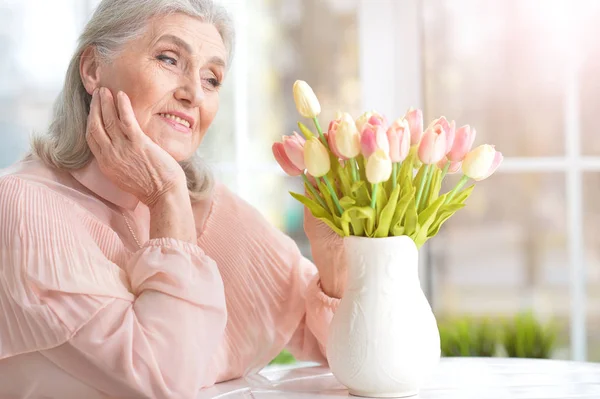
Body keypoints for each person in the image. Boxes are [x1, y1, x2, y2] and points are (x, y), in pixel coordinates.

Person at [0, 0, 347, 398]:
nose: (194, 94)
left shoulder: (210, 207)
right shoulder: (21, 206)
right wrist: (166, 199)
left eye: (212, 79)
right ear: (93, 69)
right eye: (169, 59)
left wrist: (331, 254)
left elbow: (360, 355)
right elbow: (163, 382)